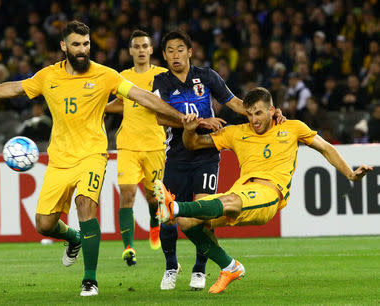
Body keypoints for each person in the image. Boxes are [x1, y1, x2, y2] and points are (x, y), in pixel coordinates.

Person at [0, 21, 185, 297]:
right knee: (44, 225)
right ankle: (74, 239)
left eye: (86, 44)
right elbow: (16, 89)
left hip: (93, 155)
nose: (82, 50)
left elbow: (142, 96)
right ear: (64, 46)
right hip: (60, 159)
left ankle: (90, 280)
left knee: (85, 205)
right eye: (76, 45)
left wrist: (180, 117)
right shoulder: (49, 76)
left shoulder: (105, 75)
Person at [154, 87, 372, 294]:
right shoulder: (237, 132)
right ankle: (229, 266)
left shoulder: (293, 127)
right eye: (249, 114)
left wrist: (351, 175)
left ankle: (175, 207)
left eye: (258, 113)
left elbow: (326, 148)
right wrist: (189, 131)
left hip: (269, 194)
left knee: (215, 203)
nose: (254, 119)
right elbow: (193, 144)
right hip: (242, 191)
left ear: (272, 110)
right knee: (188, 222)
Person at [152, 29, 284, 291]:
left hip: (206, 155)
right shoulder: (162, 82)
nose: (175, 55)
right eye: (170, 51)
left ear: (190, 52)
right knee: (166, 217)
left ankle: (200, 270)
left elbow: (234, 102)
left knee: (203, 216)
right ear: (164, 56)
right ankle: (170, 266)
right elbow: (159, 116)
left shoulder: (207, 76)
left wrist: (266, 114)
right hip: (177, 156)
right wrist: (200, 121)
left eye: (180, 49)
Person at [104, 30, 168, 266]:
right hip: (128, 145)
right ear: (130, 51)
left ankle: (153, 225)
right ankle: (128, 247)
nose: (141, 50)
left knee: (153, 197)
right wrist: (99, 108)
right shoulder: (123, 77)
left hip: (155, 145)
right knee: (127, 194)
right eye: (136, 47)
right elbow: (120, 104)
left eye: (145, 46)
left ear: (151, 50)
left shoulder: (162, 75)